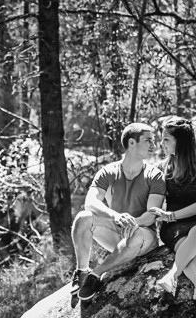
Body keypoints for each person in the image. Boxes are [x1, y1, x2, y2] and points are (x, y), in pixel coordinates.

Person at [71, 123, 166, 300]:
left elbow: (152, 214)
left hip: (144, 237)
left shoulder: (155, 175)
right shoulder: (108, 171)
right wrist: (116, 216)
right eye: (148, 141)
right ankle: (82, 272)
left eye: (154, 141)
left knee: (135, 235)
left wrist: (133, 223)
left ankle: (96, 274)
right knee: (83, 218)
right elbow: (90, 201)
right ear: (131, 143)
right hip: (118, 232)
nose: (154, 146)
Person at [149, 116, 196, 300]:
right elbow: (151, 200)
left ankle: (172, 275)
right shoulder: (161, 169)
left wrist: (170, 215)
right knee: (189, 252)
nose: (161, 144)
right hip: (173, 229)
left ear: (180, 142)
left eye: (166, 139)